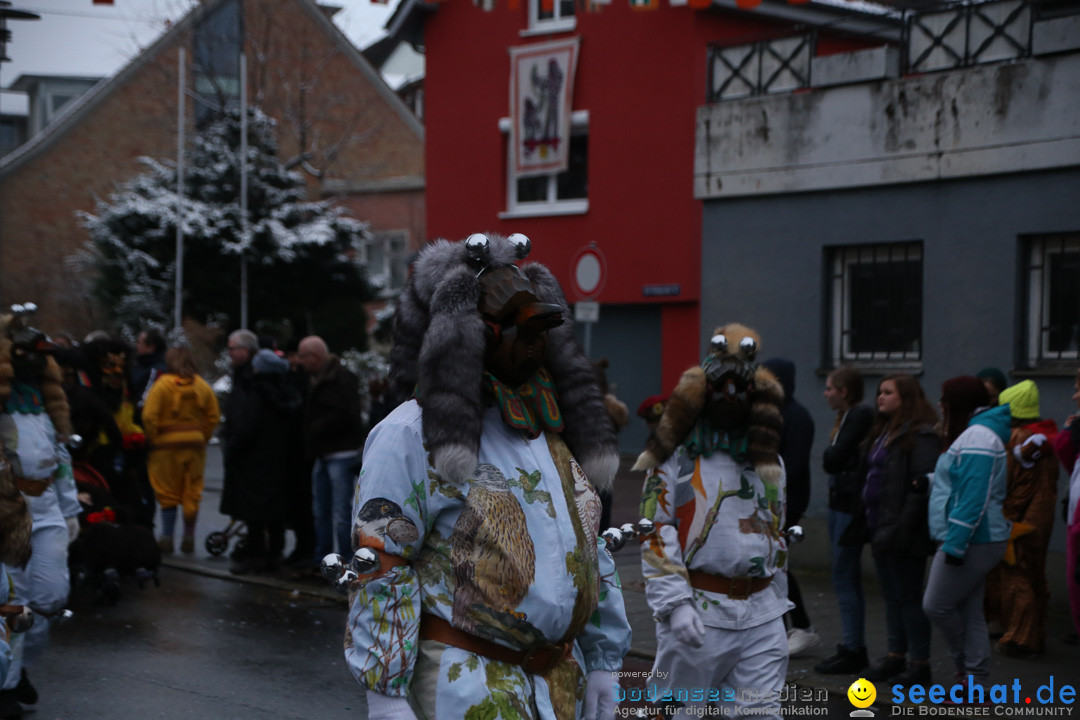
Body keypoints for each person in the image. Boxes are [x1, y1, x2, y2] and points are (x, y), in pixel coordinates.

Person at [345, 233, 630, 720]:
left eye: (544, 332)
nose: (536, 346)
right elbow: (383, 565)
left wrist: (603, 658)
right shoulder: (409, 434)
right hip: (468, 690)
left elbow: (587, 543)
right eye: (522, 330)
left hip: (561, 686)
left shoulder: (547, 425)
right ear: (471, 334)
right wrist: (386, 694)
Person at [635, 324, 789, 719]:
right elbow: (654, 528)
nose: (731, 398)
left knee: (760, 714)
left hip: (763, 615)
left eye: (742, 390)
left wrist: (779, 603)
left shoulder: (770, 464)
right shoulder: (676, 458)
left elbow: (776, 534)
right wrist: (674, 603)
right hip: (700, 612)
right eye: (721, 388)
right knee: (680, 713)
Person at [0, 307, 81, 715]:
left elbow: (61, 457)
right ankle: (7, 686)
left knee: (49, 598)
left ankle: (21, 668)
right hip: (8, 516)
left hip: (47, 511)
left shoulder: (44, 406)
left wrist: (70, 511)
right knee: (13, 603)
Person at [851, 374, 940, 686]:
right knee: (891, 596)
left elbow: (921, 486)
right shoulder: (883, 432)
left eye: (888, 392)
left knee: (908, 597)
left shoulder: (921, 435)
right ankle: (895, 656)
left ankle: (920, 663)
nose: (880, 397)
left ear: (906, 397)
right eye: (879, 392)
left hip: (904, 531)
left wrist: (903, 528)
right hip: (879, 526)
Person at [923, 376, 1011, 690]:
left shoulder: (978, 437)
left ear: (956, 403)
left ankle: (968, 671)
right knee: (969, 611)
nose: (941, 405)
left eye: (944, 399)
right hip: (976, 537)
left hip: (973, 539)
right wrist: (932, 482)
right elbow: (963, 483)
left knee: (936, 604)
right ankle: (975, 682)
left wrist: (955, 546)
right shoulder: (976, 434)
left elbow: (974, 498)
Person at [983, 380, 1058, 658]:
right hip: (1041, 517)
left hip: (1019, 520)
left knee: (1017, 575)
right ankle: (1035, 632)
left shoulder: (1017, 439)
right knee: (1035, 574)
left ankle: (1020, 637)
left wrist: (1006, 516)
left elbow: (1011, 483)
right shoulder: (1043, 440)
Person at [815, 366, 874, 675]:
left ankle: (853, 647)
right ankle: (852, 644)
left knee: (843, 574)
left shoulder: (859, 416)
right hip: (841, 501)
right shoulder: (849, 418)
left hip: (848, 505)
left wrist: (833, 455)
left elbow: (833, 458)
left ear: (844, 391)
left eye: (830, 389)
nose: (825, 394)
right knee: (844, 574)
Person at [761, 357, 818, 658]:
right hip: (771, 499)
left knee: (777, 563)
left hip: (787, 501)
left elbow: (791, 466)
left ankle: (802, 627)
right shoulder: (772, 413)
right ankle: (779, 628)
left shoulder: (797, 417)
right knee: (772, 563)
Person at [141, 345, 221, 554]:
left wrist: (154, 438)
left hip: (165, 447)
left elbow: (149, 416)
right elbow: (213, 416)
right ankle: (189, 538)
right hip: (195, 445)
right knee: (191, 491)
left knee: (167, 493)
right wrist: (203, 435)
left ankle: (167, 538)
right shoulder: (202, 386)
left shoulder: (162, 385)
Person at [296, 335, 365, 565]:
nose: (300, 361)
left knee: (339, 512)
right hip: (323, 452)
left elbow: (347, 415)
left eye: (303, 356)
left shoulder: (341, 379)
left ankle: (342, 559)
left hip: (339, 453)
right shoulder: (317, 378)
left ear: (314, 356)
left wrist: (316, 427)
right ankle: (324, 558)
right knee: (323, 511)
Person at [1051, 368, 1080, 644]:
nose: (1073, 396)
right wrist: (1070, 434)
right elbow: (1070, 464)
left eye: (1079, 390)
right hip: (1075, 523)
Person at [131, 328, 167, 423]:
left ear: (151, 347)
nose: (136, 345)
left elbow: (146, 400)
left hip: (143, 423)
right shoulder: (138, 365)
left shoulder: (156, 371)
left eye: (139, 342)